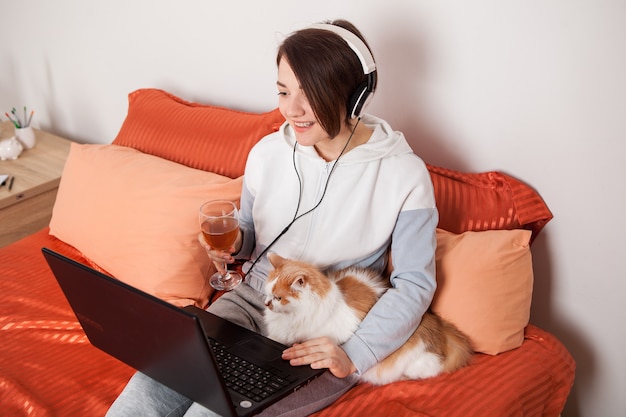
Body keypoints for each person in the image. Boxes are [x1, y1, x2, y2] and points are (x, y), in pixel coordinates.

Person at [106, 19, 438, 417]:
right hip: (249, 302)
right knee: (146, 393)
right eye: (283, 91)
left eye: (308, 94)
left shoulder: (404, 174)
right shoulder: (267, 153)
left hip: (322, 328)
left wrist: (354, 353)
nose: (291, 110)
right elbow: (248, 235)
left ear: (352, 97)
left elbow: (415, 284)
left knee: (209, 413)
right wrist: (234, 243)